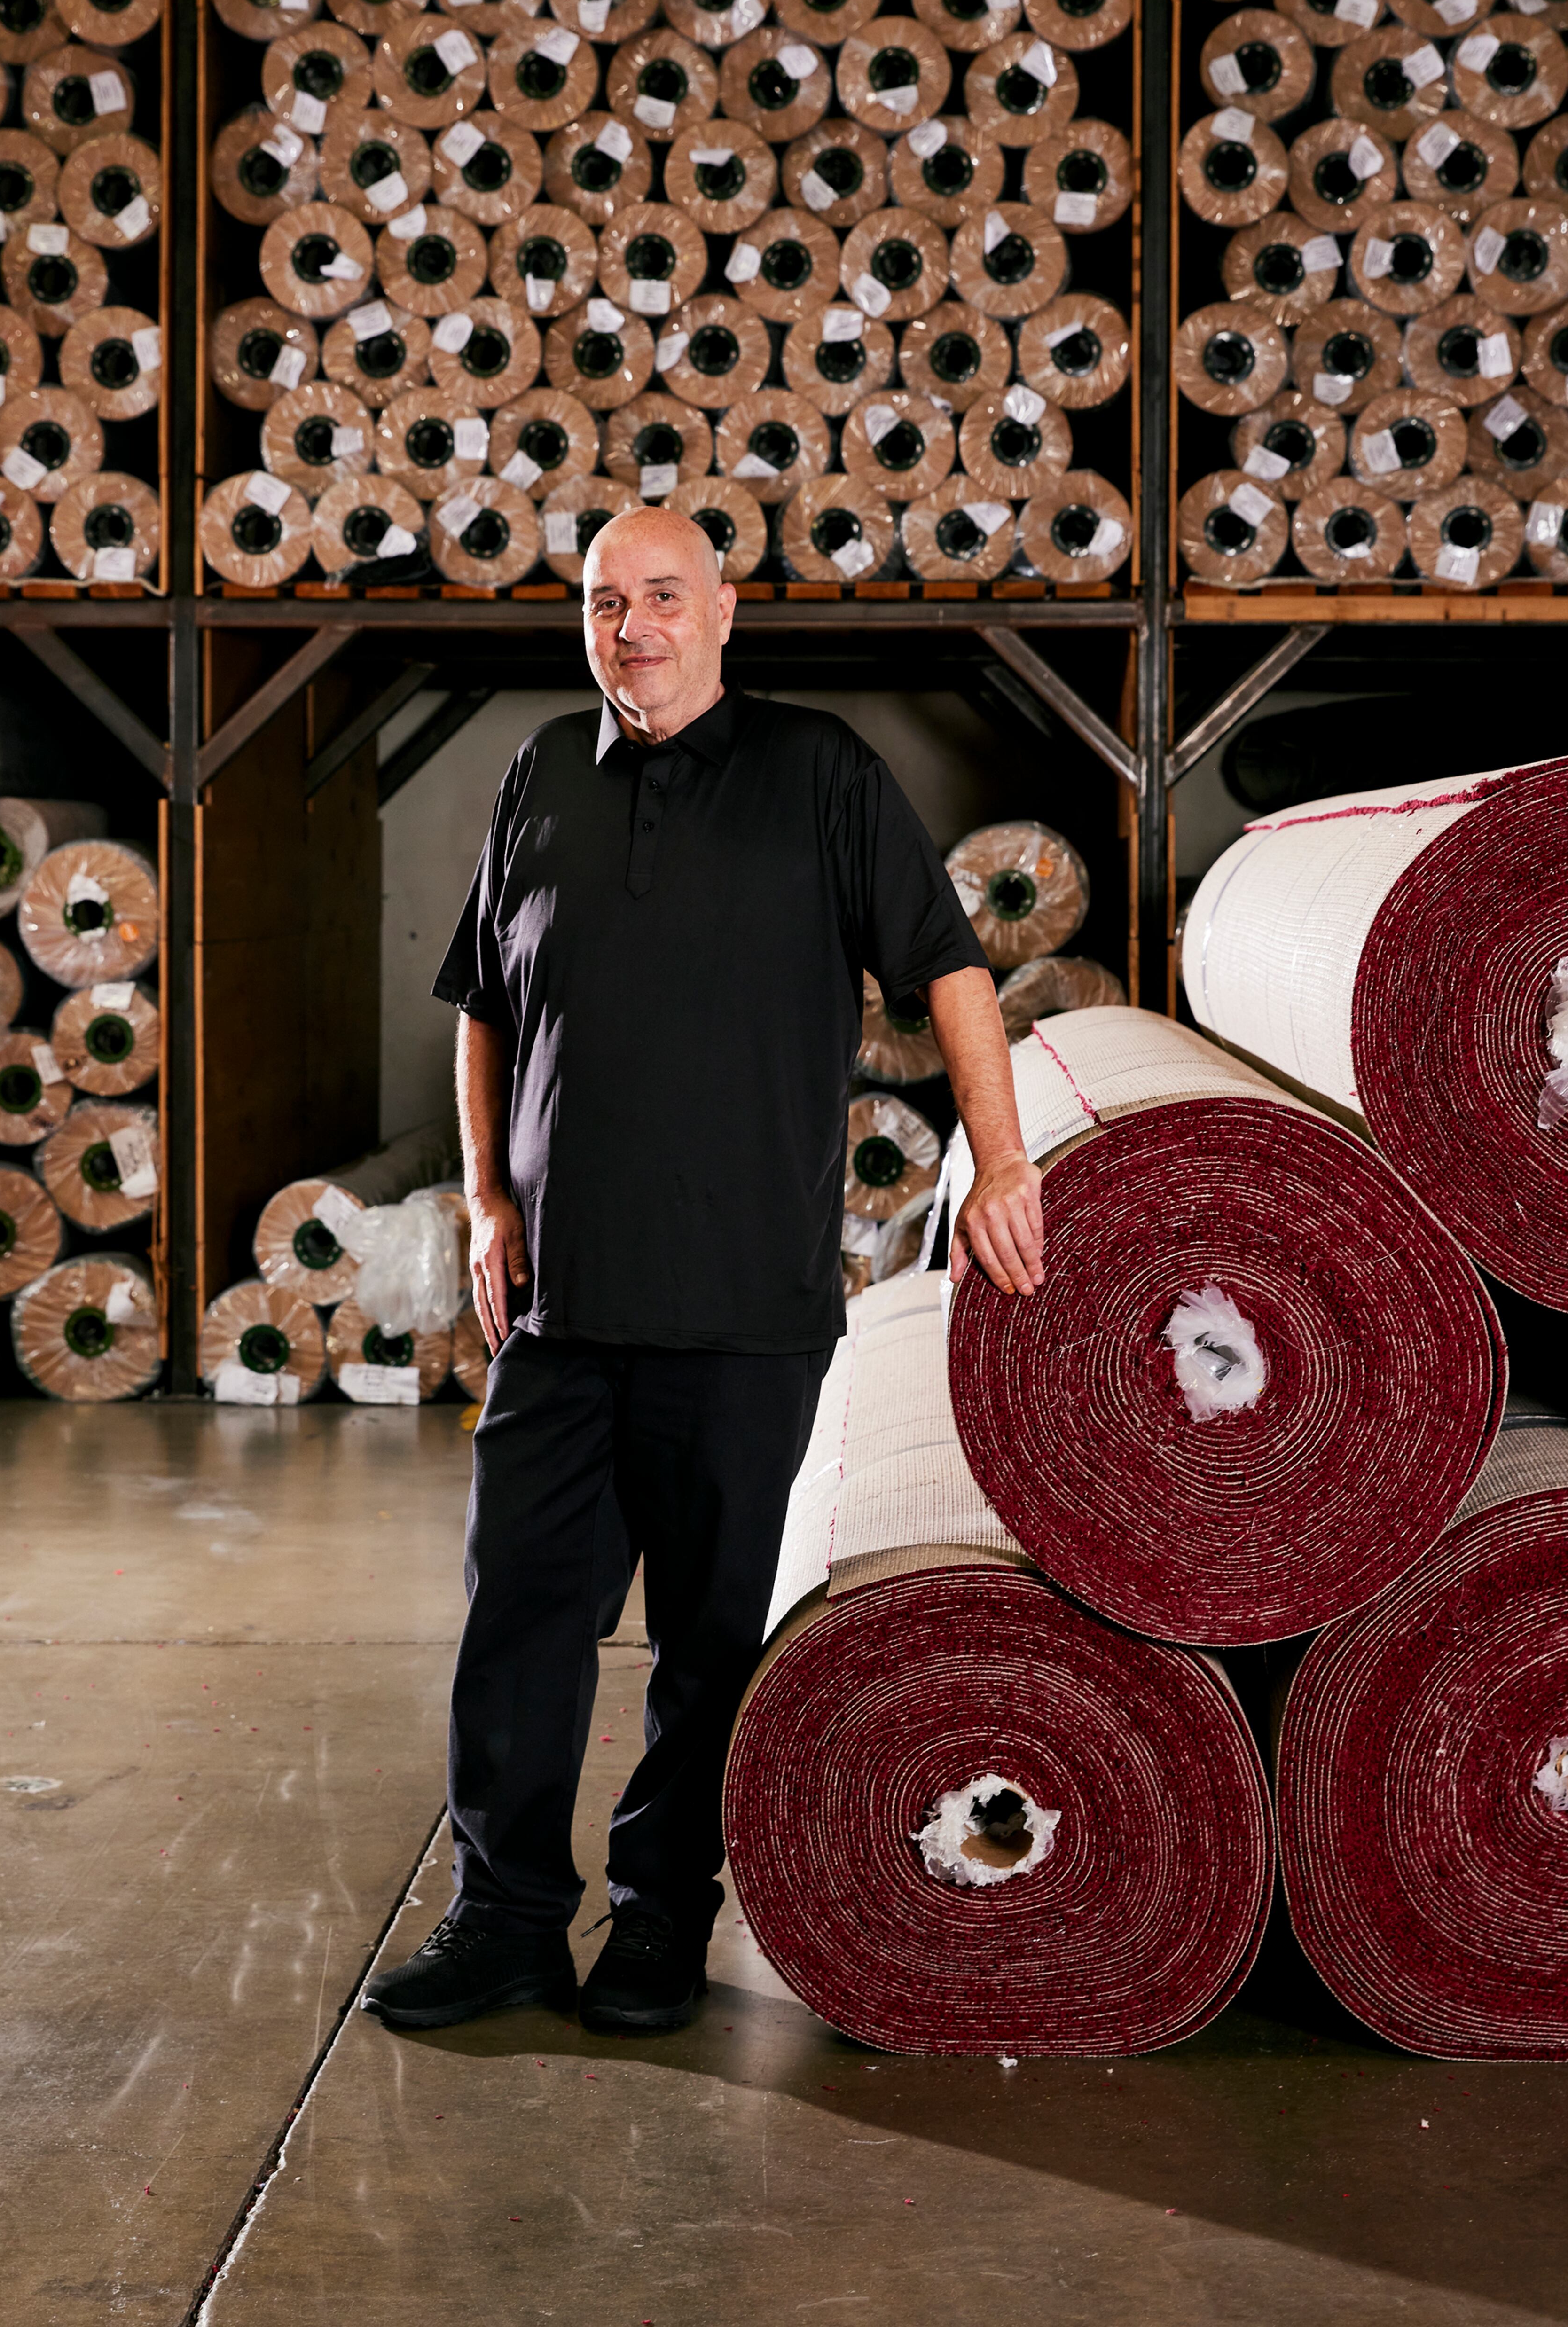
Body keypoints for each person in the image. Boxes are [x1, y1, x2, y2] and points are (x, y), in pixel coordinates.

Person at [363, 508, 1046, 2037]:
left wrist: (1001, 1163)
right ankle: (510, 1920)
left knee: (708, 1649)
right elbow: (480, 1000)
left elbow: (949, 970)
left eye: (664, 598)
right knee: (519, 1626)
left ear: (725, 612)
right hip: (557, 1313)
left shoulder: (820, 778)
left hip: (746, 1320)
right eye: (606, 604)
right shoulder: (541, 773)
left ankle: (666, 1922)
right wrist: (482, 1198)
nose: (634, 630)